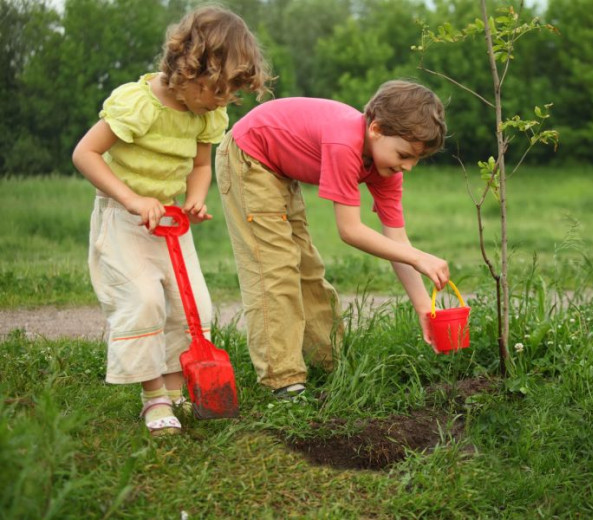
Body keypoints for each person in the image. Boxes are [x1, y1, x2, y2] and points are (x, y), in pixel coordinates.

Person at [72, 6, 269, 436]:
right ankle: (154, 396)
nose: (220, 103)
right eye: (215, 91)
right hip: (124, 219)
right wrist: (130, 198)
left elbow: (201, 165)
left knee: (192, 306)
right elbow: (84, 153)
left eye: (227, 96)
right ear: (187, 66)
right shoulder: (137, 104)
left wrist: (196, 199)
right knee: (143, 300)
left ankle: (178, 390)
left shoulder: (206, 114)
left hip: (170, 221)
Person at [215, 80, 450, 399]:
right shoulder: (345, 143)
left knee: (307, 269)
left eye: (416, 160)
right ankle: (283, 379)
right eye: (404, 155)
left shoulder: (386, 169)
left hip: (280, 171)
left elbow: (397, 242)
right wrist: (419, 257)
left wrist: (425, 308)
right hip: (249, 157)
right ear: (376, 129)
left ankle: (328, 363)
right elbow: (350, 230)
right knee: (276, 269)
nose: (407, 167)